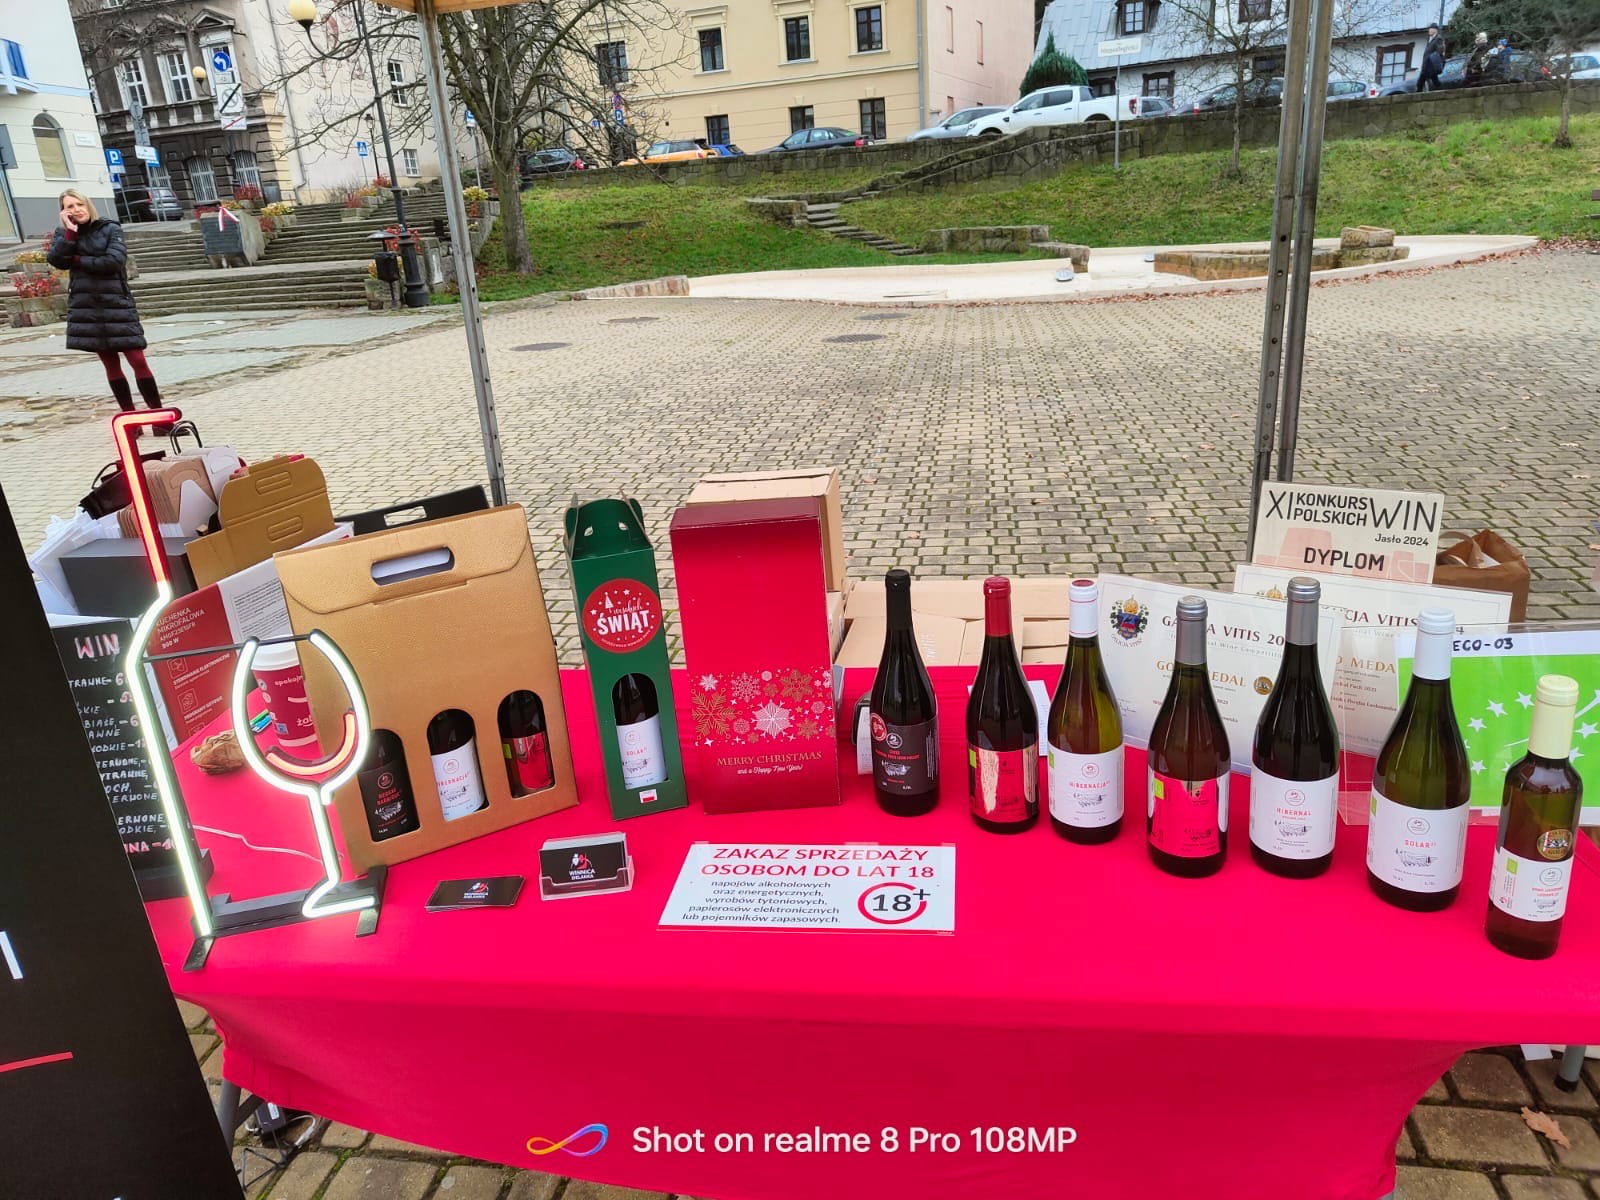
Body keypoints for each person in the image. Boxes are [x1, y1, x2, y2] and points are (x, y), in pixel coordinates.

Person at [45, 188, 162, 413]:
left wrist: (77, 260)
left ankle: (159, 417)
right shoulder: (64, 234)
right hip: (88, 308)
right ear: (63, 212)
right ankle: (129, 417)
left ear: (88, 205)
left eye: (79, 204)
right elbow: (57, 260)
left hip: (117, 304)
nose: (76, 209)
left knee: (137, 359)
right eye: (69, 206)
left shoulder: (110, 228)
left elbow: (113, 261)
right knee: (110, 364)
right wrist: (70, 233)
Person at [1418, 25, 1446, 91]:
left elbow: (1440, 50)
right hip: (1428, 62)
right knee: (1434, 79)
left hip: (1431, 63)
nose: (1429, 30)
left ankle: (1418, 90)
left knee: (1422, 78)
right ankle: (1441, 88)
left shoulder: (1438, 38)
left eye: (1431, 29)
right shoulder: (1430, 39)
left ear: (1435, 30)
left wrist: (1433, 57)